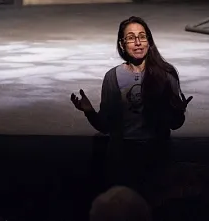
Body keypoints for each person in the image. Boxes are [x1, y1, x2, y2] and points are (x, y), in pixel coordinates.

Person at [71, 16, 193, 191]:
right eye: (130, 38)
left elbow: (174, 124)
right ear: (122, 44)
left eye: (142, 36)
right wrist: (89, 111)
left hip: (156, 153)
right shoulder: (113, 77)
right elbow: (105, 126)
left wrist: (178, 112)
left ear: (149, 42)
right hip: (123, 155)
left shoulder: (166, 74)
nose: (137, 42)